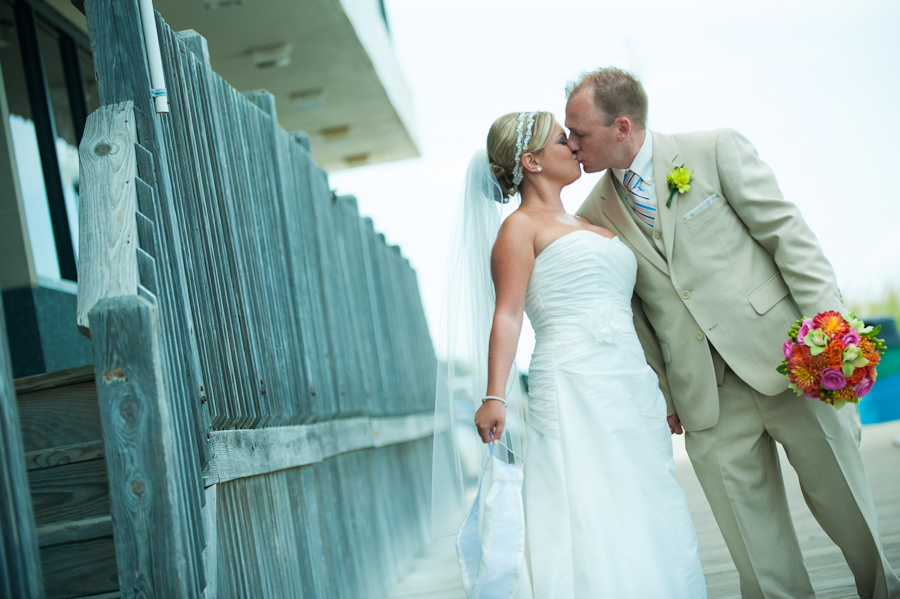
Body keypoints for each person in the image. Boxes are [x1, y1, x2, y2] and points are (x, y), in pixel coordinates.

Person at [565, 67, 900, 599]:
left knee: (851, 516)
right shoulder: (589, 216)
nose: (571, 143)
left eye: (579, 132)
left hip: (789, 364)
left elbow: (789, 239)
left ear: (621, 127)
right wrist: (665, 393)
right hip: (706, 400)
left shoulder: (714, 151)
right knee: (759, 563)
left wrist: (829, 332)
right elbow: (634, 314)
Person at [468, 110, 707, 597]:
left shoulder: (587, 220)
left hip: (628, 382)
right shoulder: (518, 229)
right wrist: (496, 395)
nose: (575, 146)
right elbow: (508, 315)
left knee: (643, 495)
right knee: (587, 503)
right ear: (532, 161)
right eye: (563, 140)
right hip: (572, 381)